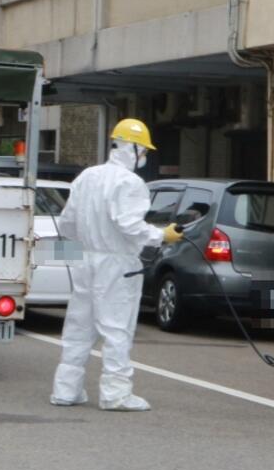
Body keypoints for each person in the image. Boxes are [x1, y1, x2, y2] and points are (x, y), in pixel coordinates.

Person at [50, 118, 182, 411]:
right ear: (132, 148)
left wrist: (88, 242)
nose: (144, 156)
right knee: (116, 328)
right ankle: (116, 394)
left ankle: (66, 390)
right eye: (143, 150)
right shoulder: (130, 183)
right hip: (117, 264)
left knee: (79, 326)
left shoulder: (87, 176)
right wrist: (162, 235)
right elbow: (130, 227)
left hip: (86, 259)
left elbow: (67, 224)